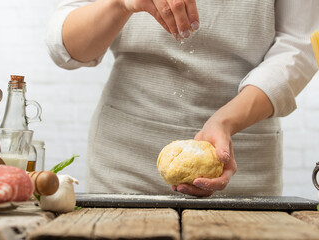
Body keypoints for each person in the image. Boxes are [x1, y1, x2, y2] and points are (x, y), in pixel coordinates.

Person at [46, 0, 319, 196]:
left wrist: (226, 121)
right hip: (124, 165)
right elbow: (67, 47)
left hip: (245, 160)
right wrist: (121, 4)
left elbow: (299, 44)